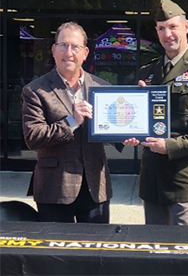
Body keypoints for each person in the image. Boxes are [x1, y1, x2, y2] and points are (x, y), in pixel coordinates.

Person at [124, 0, 188, 226]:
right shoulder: (147, 71)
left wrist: (170, 146)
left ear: (186, 27)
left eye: (173, 27)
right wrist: (132, 130)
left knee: (186, 252)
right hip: (153, 180)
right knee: (155, 251)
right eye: (161, 28)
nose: (167, 34)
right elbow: (139, 120)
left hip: (186, 179)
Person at [22, 21, 121, 223]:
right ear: (54, 50)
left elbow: (112, 127)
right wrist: (71, 121)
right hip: (54, 189)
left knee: (97, 249)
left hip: (95, 187)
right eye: (63, 45)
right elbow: (33, 138)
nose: (69, 52)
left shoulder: (102, 87)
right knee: (56, 252)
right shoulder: (35, 90)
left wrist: (126, 136)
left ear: (85, 53)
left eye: (75, 47)